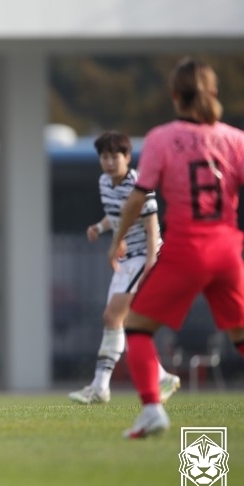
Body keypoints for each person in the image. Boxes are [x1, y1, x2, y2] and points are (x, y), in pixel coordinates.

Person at [109, 57, 244, 438]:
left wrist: (118, 238)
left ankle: (152, 409)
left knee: (136, 328)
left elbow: (139, 196)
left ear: (174, 96)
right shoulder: (236, 139)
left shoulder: (162, 138)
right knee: (240, 335)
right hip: (228, 248)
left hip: (187, 247)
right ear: (214, 93)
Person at [68, 131, 181, 405]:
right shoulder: (104, 182)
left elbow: (152, 227)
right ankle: (160, 377)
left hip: (144, 257)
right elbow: (118, 215)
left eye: (114, 156)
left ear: (127, 157)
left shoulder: (139, 184)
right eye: (104, 157)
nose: (109, 162)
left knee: (113, 317)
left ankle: (100, 386)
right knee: (119, 323)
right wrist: (100, 227)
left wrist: (150, 266)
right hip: (126, 259)